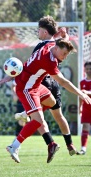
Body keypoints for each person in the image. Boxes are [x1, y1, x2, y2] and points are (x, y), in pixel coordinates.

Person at [0, 38, 91, 164]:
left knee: (52, 102)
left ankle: (27, 113)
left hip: (36, 86)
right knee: (38, 121)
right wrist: (80, 93)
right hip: (26, 88)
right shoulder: (49, 61)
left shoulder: (51, 44)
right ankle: (14, 146)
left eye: (67, 54)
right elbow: (64, 82)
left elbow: (57, 38)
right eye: (64, 53)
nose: (64, 57)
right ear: (57, 48)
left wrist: (63, 34)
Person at [14, 16, 77, 156]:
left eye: (39, 30)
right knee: (57, 115)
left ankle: (40, 140)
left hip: (43, 82)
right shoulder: (56, 43)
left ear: (44, 31)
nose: (38, 32)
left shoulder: (44, 46)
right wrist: (65, 35)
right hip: (53, 82)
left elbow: (30, 67)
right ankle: (68, 144)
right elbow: (63, 44)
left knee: (38, 117)